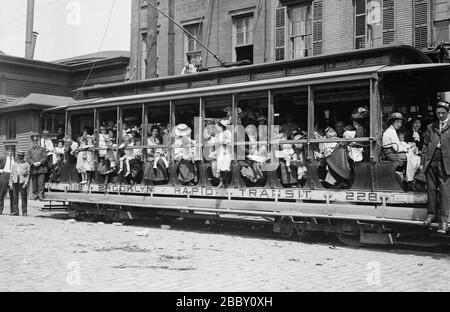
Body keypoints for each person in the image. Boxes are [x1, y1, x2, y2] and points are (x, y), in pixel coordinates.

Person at [422, 101, 450, 233]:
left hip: (446, 163)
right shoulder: (431, 127)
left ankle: (444, 220)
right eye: (438, 113)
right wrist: (424, 161)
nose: (440, 115)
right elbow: (425, 145)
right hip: (432, 161)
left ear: (448, 112)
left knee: (444, 191)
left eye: (442, 113)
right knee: (431, 190)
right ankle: (430, 215)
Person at [8, 150, 29, 216]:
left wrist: (26, 183)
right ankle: (15, 211)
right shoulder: (14, 164)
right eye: (19, 156)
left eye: (21, 156)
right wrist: (10, 183)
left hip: (22, 182)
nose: (20, 157)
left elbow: (28, 174)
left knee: (24, 197)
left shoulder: (26, 164)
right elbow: (12, 174)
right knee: (15, 197)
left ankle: (24, 212)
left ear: (23, 156)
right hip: (15, 182)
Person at [27, 135, 48, 201]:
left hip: (41, 168)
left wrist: (40, 162)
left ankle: (40, 195)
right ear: (32, 142)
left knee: (41, 183)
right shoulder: (30, 150)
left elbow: (45, 157)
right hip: (34, 169)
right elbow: (28, 158)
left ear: (38, 141)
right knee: (34, 183)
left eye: (36, 141)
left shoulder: (42, 149)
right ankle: (35, 195)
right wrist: (33, 163)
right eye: (34, 141)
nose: (35, 142)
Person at [0, 147, 14, 215]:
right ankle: (0, 210)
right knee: (1, 194)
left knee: (13, 194)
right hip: (4, 175)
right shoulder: (3, 159)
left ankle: (13, 211)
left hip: (12, 176)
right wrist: (1, 171)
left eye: (11, 151)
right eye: (9, 151)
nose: (10, 152)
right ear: (6, 152)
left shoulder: (15, 159)